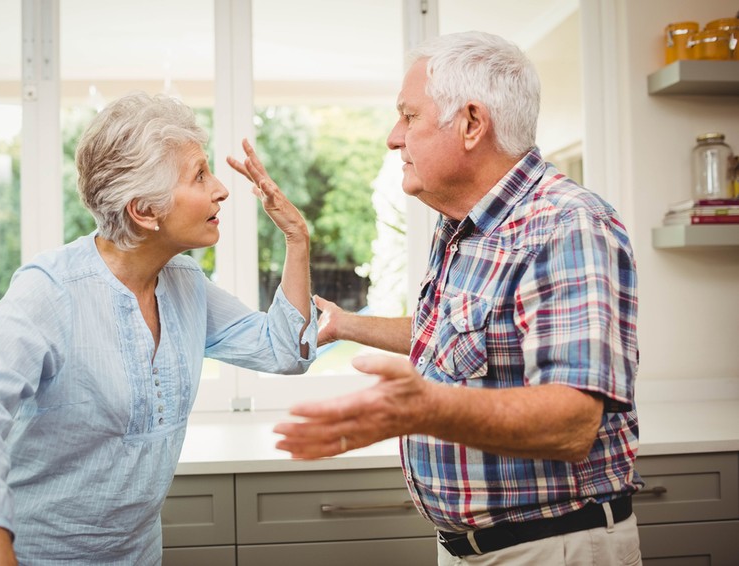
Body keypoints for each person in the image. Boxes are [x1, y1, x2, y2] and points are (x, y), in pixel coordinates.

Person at [273, 31, 642, 565]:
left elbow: (571, 422)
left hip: (551, 549)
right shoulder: (464, 228)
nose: (393, 137)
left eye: (409, 116)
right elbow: (456, 335)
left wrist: (423, 408)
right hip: (472, 549)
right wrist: (347, 323)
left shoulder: (566, 225)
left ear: (471, 124)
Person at [0, 91, 316, 565]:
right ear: (144, 212)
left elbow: (285, 350)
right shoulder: (51, 290)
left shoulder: (185, 283)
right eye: (199, 175)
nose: (221, 189)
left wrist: (297, 239)